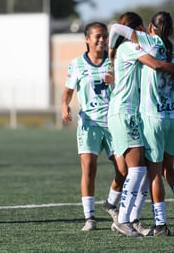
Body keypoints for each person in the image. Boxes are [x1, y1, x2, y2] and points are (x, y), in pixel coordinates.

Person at [108, 12, 174, 237]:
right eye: (137, 31)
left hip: (141, 115)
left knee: (147, 171)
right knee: (141, 170)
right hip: (130, 113)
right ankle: (123, 218)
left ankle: (133, 219)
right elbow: (157, 65)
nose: (141, 34)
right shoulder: (139, 47)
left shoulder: (144, 46)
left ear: (149, 28)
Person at [61, 22, 124, 231]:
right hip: (89, 123)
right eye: (97, 36)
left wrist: (115, 79)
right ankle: (89, 218)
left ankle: (111, 204)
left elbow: (128, 86)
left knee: (123, 171)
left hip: (114, 122)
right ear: (87, 39)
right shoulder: (77, 64)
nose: (102, 40)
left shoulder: (116, 61)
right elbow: (68, 90)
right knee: (89, 169)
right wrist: (64, 105)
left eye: (105, 36)